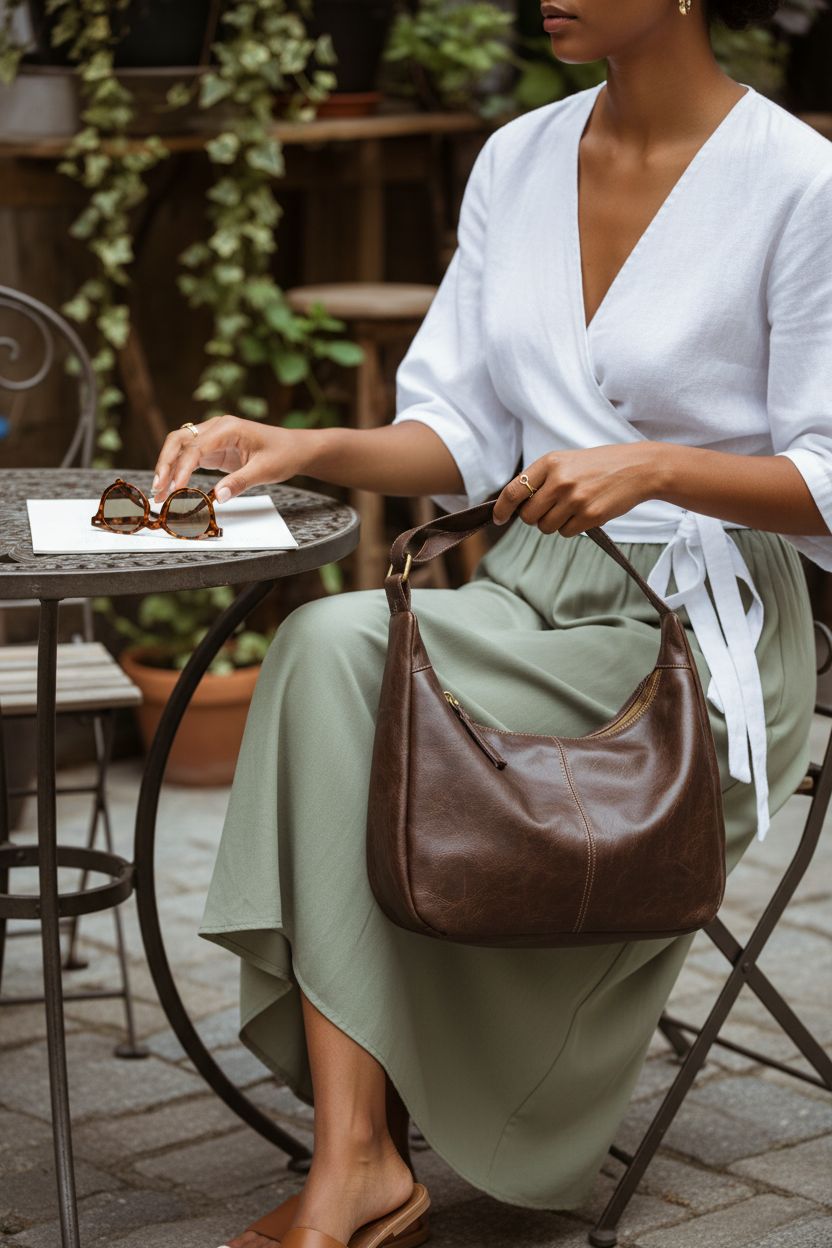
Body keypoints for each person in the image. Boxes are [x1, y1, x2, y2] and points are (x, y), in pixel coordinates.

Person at [152, 1, 832, 1244]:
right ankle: (357, 1156)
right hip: (528, 589)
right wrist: (303, 442)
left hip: (696, 636)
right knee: (327, 651)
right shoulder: (518, 157)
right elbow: (460, 432)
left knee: (373, 697)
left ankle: (411, 1126)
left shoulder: (798, 181)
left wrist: (655, 469)